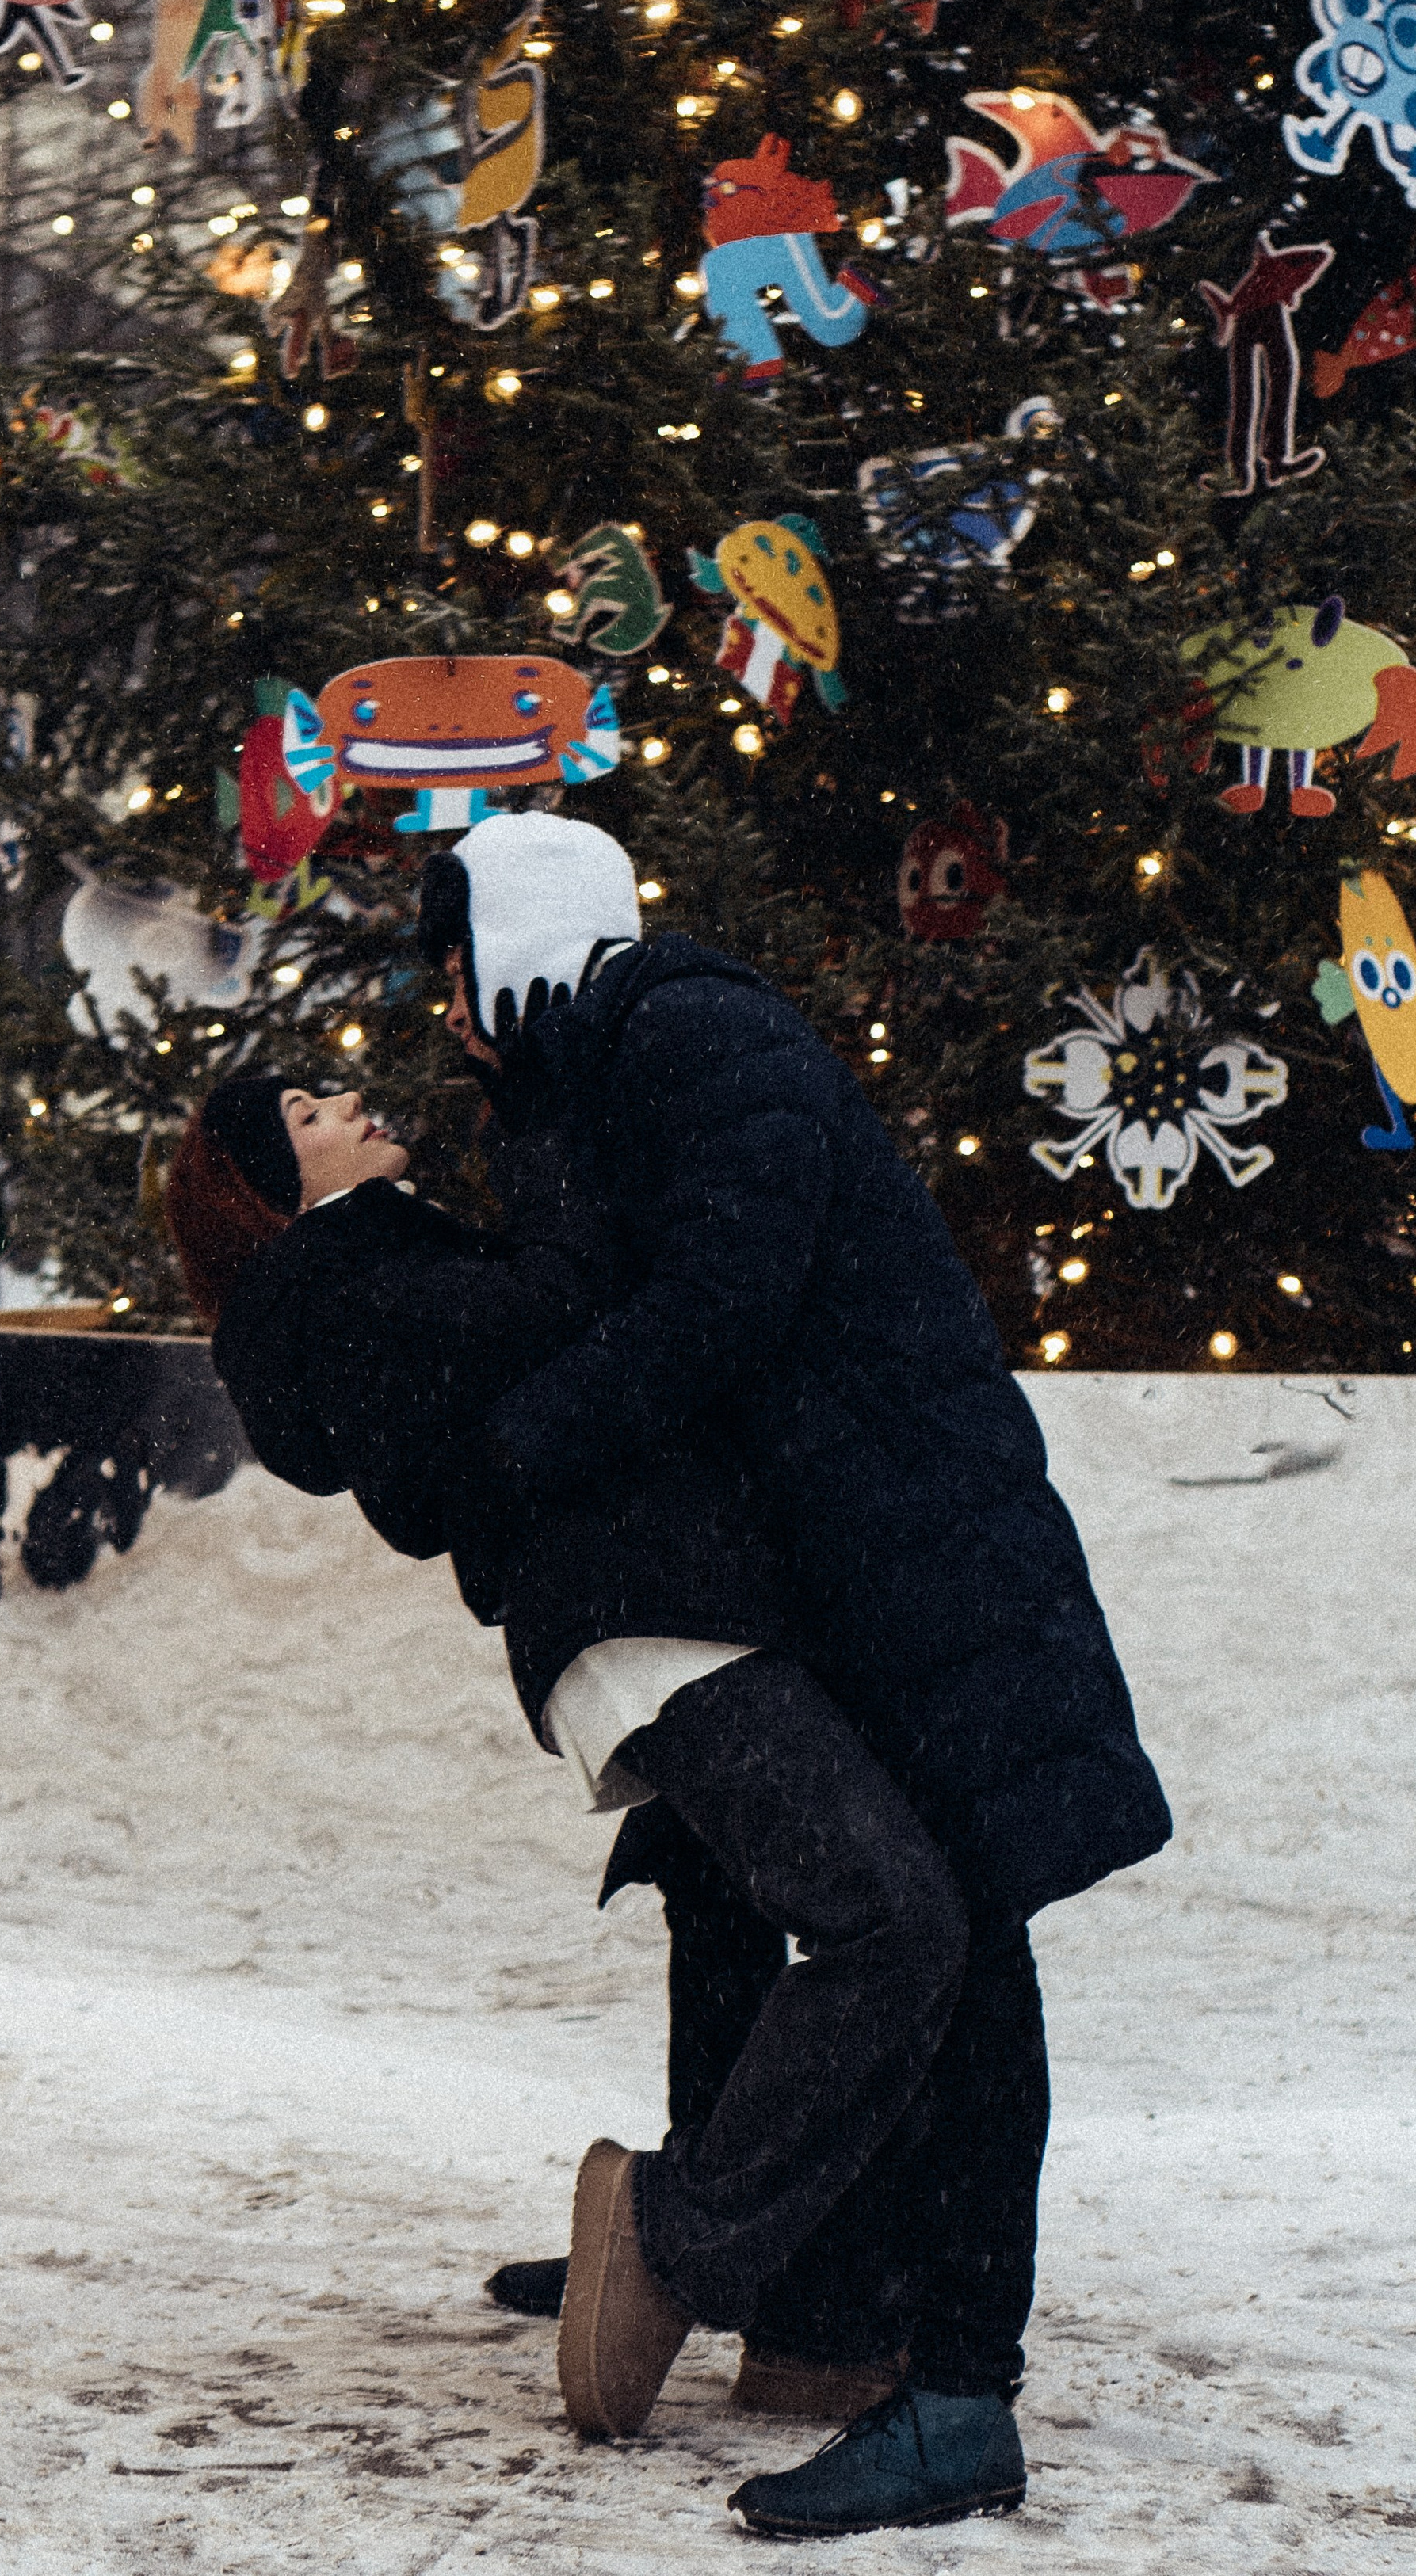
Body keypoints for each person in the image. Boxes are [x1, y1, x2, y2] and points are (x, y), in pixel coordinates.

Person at [414, 811, 1173, 2540]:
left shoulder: (696, 1030)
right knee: (748, 1887)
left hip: (921, 1550)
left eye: (453, 958)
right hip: (842, 1553)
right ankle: (740, 2265)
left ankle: (943, 2383)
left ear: (525, 932)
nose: (442, 1003)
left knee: (959, 1942)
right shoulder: (606, 1066)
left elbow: (719, 1301)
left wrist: (517, 1450)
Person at [162, 1060, 896, 2428]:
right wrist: (552, 1142)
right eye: (309, 1120)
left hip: (671, 1601)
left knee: (734, 1911)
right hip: (648, 1614)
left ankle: (805, 2314)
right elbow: (557, 1309)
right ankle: (680, 2236)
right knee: (881, 1916)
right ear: (274, 1193)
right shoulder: (346, 1293)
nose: (350, 1103)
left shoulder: (371, 1271)